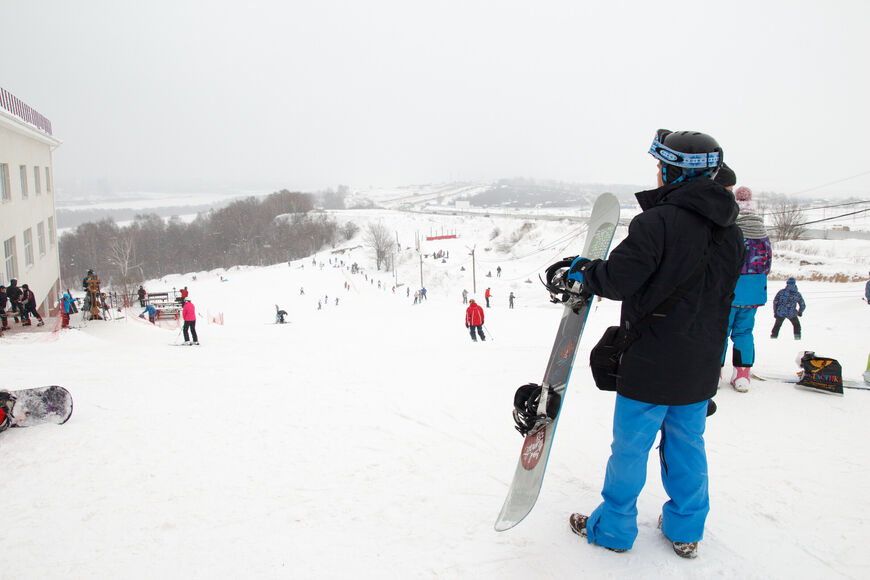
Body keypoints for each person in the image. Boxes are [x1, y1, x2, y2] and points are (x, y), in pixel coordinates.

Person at [558, 129, 744, 558]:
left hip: (649, 365)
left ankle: (615, 529)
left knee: (630, 450)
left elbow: (618, 280)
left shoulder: (657, 222)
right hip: (699, 368)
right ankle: (686, 528)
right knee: (687, 448)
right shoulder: (731, 233)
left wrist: (584, 272)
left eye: (661, 166)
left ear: (673, 171)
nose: (657, 173)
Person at [722, 185, 772, 392]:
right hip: (753, 294)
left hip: (730, 292)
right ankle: (742, 375)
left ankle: (714, 371)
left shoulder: (732, 232)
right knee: (744, 332)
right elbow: (767, 266)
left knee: (721, 332)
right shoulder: (764, 236)